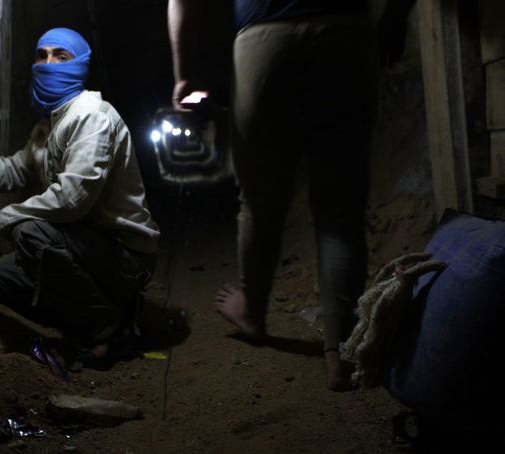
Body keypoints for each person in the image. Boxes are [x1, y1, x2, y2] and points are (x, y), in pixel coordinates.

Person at [168, 0, 415, 390]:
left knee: (260, 198)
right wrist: (396, 17)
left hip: (264, 38)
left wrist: (184, 75)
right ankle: (342, 351)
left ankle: (253, 310)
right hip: (343, 30)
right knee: (340, 210)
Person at [0, 27, 160, 368]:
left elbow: (71, 200)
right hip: (89, 250)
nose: (48, 63)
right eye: (42, 55)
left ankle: (109, 330)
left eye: (60, 57)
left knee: (30, 232)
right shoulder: (50, 123)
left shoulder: (90, 116)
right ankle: (107, 312)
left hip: (126, 257)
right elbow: (18, 169)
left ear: (79, 66)